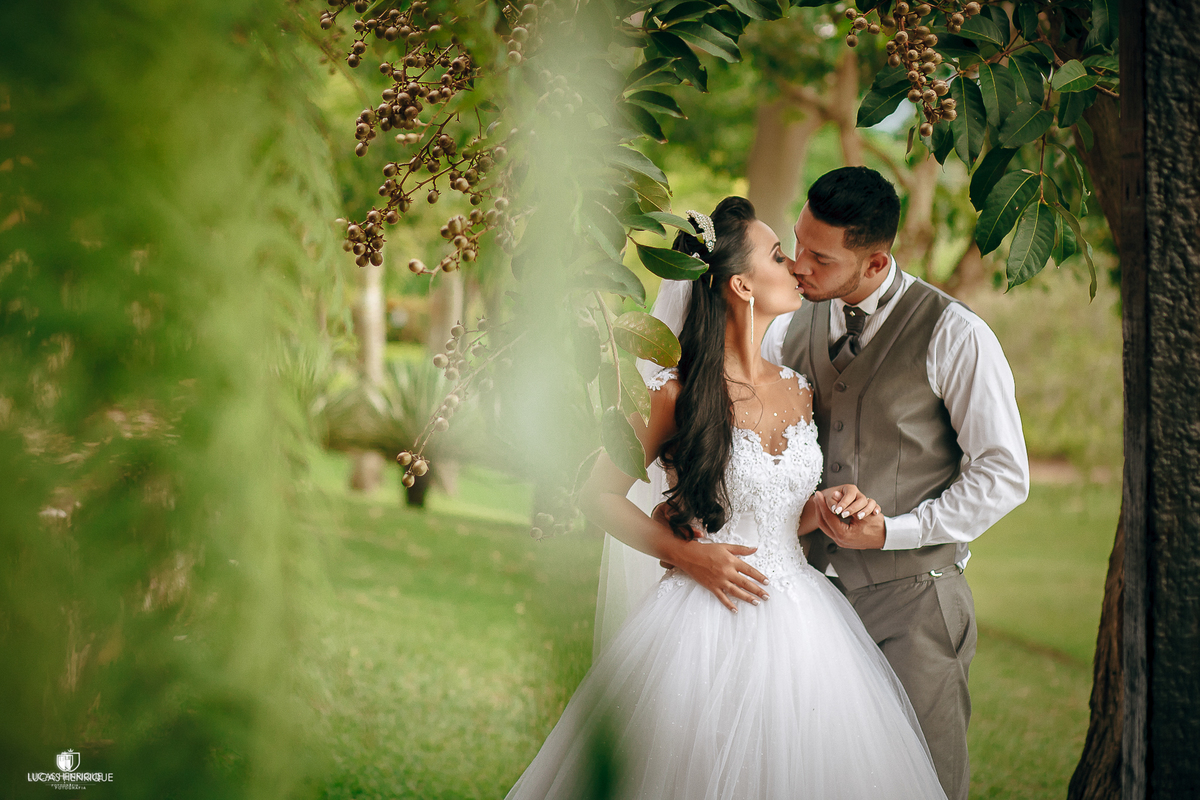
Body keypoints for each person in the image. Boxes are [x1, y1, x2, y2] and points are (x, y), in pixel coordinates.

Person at [506, 197, 947, 799]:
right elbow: (596, 496)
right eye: (776, 254)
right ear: (741, 284)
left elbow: (779, 510)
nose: (793, 264)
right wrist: (687, 554)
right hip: (701, 625)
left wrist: (827, 506)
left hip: (802, 625)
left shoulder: (797, 389)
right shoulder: (674, 394)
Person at [760, 166, 1030, 800]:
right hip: (806, 606)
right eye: (797, 243)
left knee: (920, 782)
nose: (799, 265)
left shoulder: (956, 334)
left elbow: (1003, 473)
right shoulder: (785, 330)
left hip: (913, 606)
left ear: (875, 262)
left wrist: (896, 530)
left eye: (820, 257)